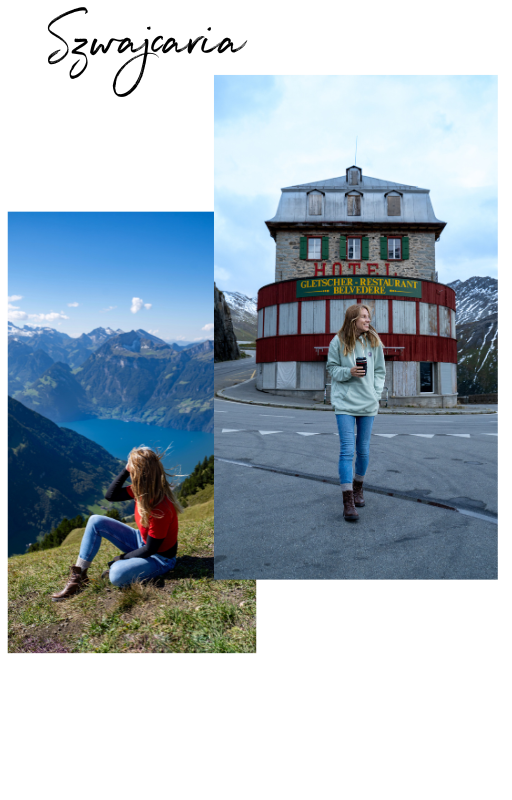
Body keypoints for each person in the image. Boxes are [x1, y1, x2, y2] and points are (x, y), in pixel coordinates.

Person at [51, 446, 183, 600]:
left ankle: (124, 568)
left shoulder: (160, 508)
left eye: (132, 470)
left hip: (159, 558)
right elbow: (110, 495)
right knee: (95, 520)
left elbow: (150, 550)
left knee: (116, 574)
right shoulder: (140, 490)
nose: (130, 475)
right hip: (140, 540)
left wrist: (122, 558)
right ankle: (79, 576)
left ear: (139, 474)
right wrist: (126, 470)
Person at [326, 304, 386, 522]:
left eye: (368, 316)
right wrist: (348, 372)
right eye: (363, 317)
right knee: (347, 451)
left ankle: (359, 488)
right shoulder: (338, 341)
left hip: (368, 403)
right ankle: (348, 501)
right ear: (353, 320)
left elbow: (380, 371)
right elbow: (331, 369)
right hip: (345, 404)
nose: (368, 320)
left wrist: (375, 392)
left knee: (363, 450)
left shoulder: (374, 341)